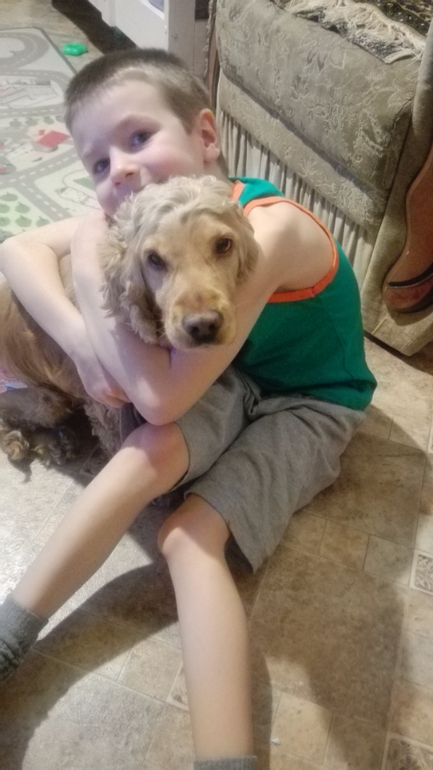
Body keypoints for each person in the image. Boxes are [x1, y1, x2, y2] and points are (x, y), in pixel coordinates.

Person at [0, 48, 376, 769]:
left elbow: (159, 394)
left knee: (188, 535)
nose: (121, 171)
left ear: (206, 136)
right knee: (145, 452)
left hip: (310, 401)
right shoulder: (141, 218)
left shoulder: (267, 230)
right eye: (99, 163)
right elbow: (17, 247)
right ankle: (9, 636)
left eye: (139, 137)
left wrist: (89, 250)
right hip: (236, 371)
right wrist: (80, 341)